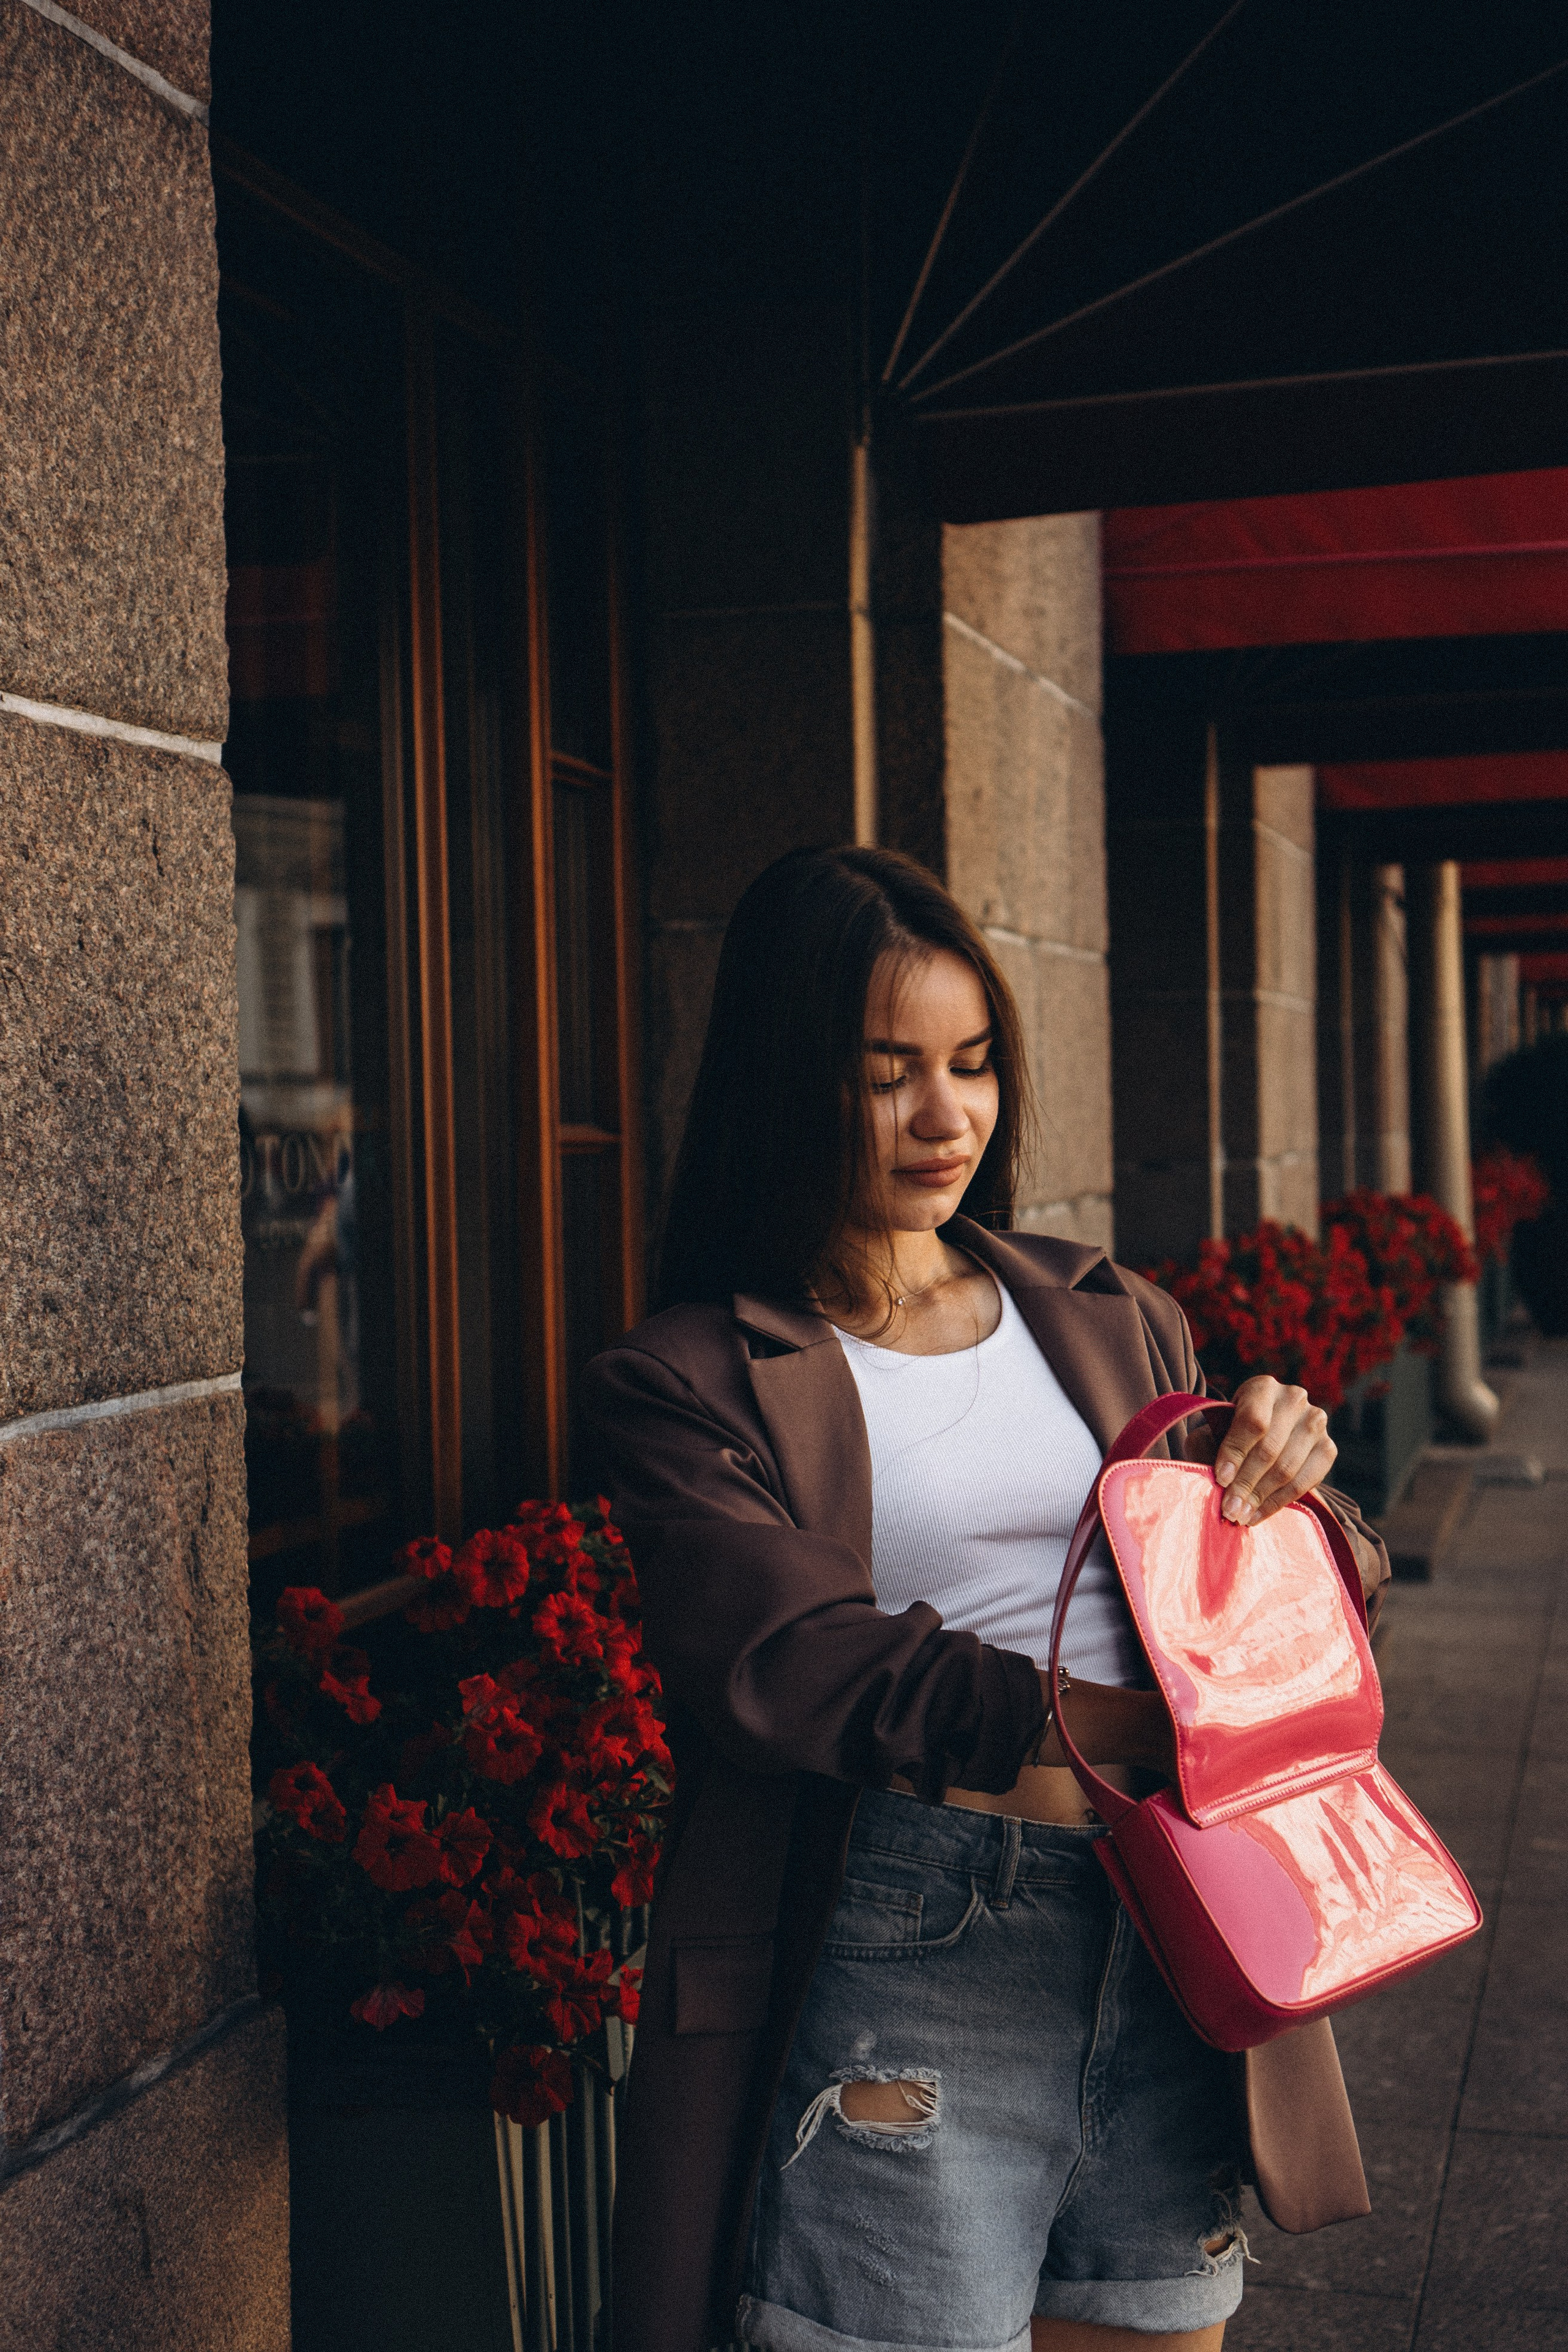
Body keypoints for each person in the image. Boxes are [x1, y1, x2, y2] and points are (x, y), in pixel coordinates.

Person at [583, 846, 1388, 2352]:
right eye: (884, 1073)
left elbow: (1277, 1604)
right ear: (785, 1079)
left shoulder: (1106, 1312)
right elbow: (787, 1663)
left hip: (1165, 1921)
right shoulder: (689, 1378)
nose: (944, 1116)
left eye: (970, 1064)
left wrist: (1295, 1491)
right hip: (912, 1942)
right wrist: (1112, 1724)